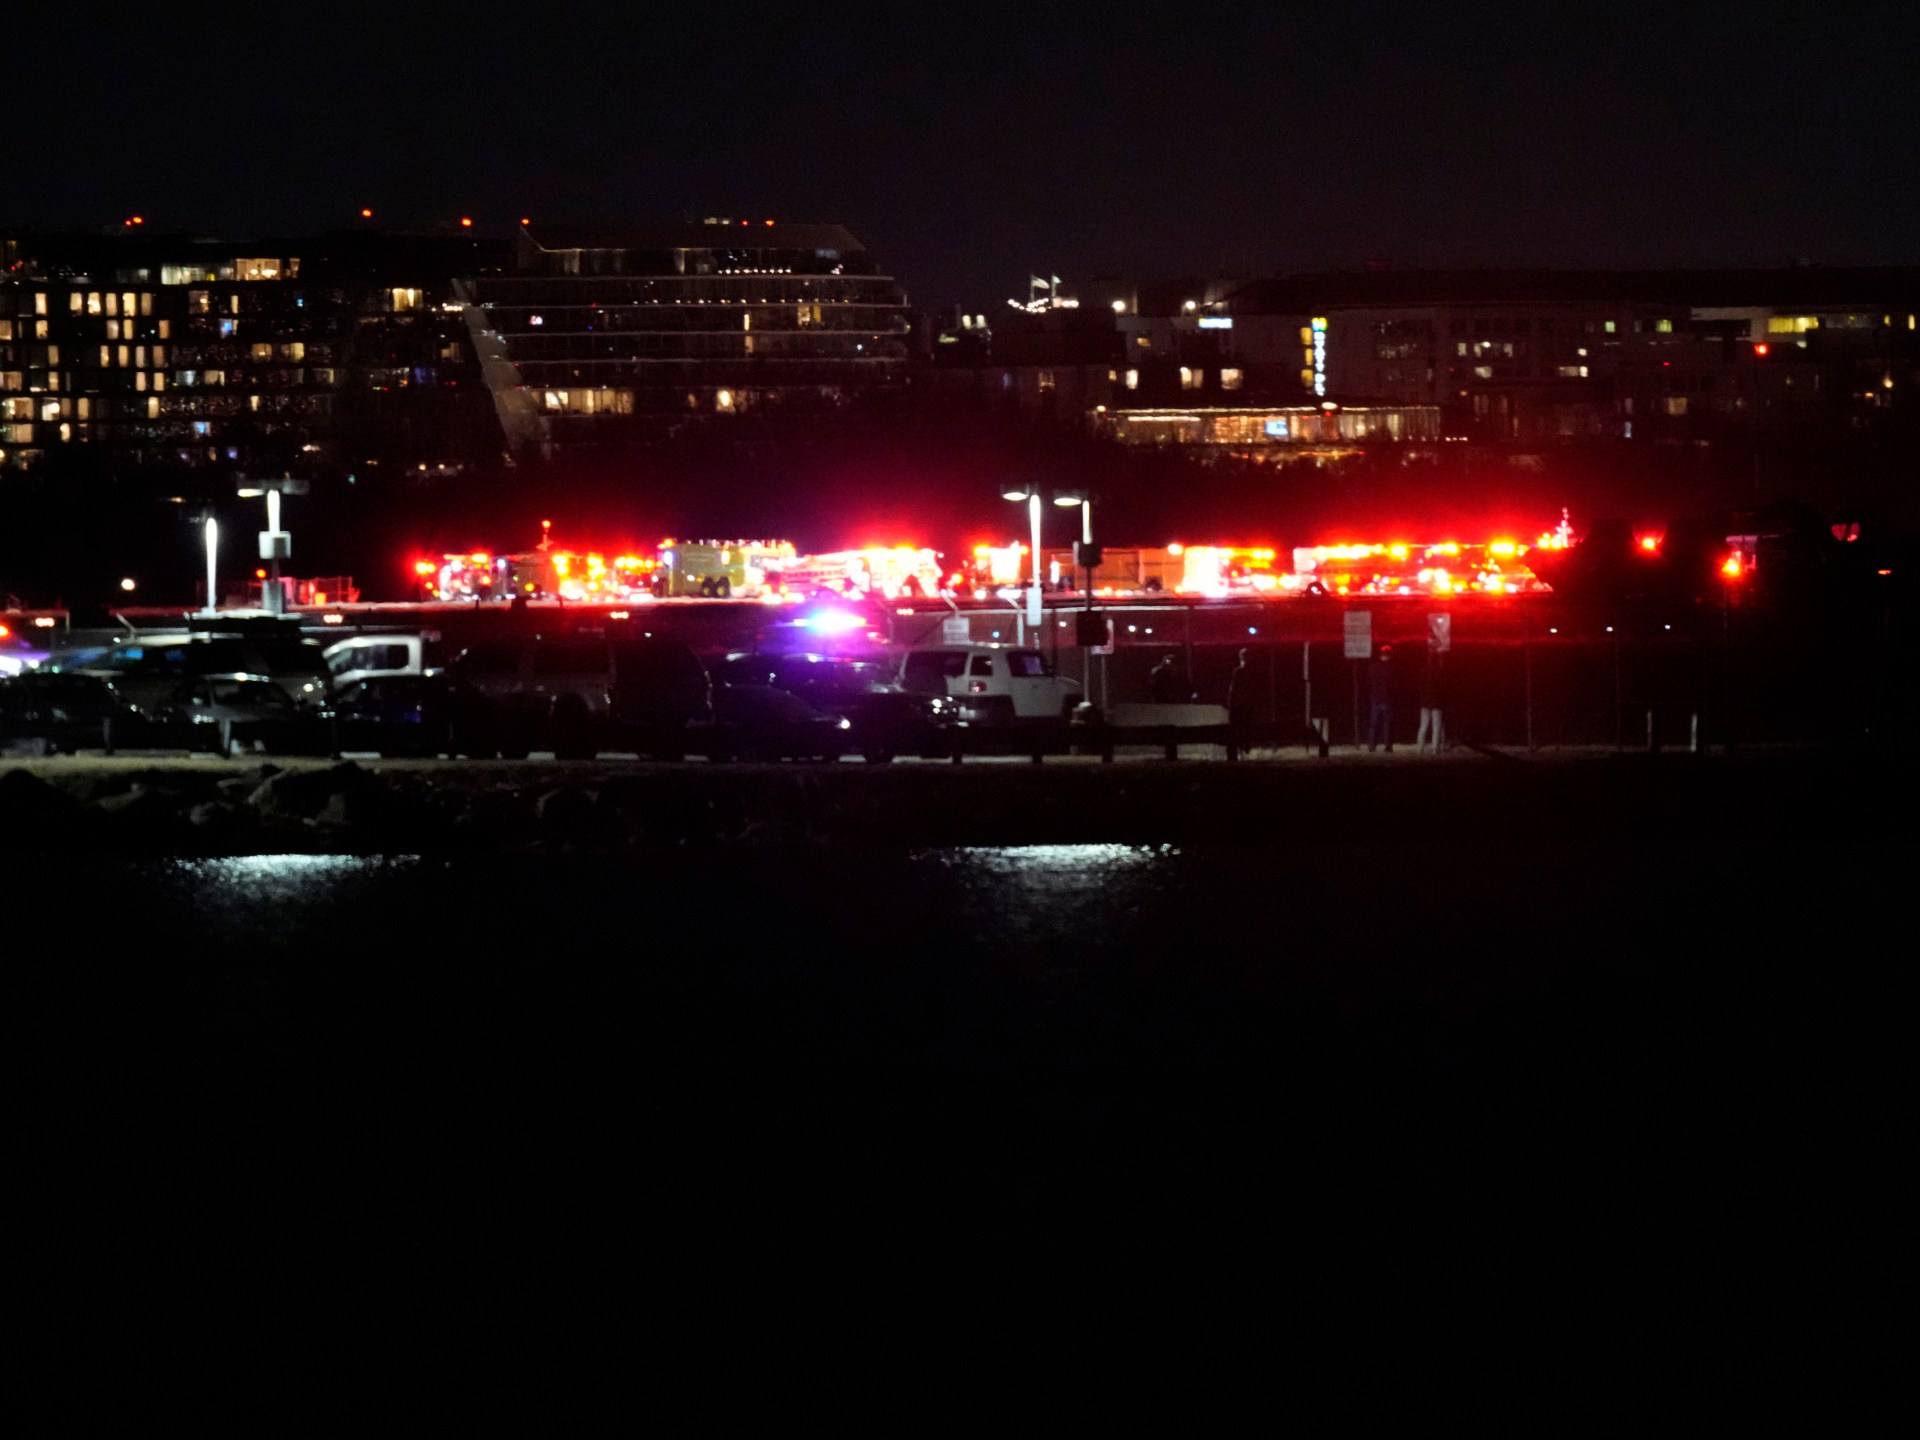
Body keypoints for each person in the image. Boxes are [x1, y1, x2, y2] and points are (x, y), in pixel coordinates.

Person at [1416, 645, 1447, 754]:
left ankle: (1420, 748)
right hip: (1437, 702)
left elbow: (1419, 686)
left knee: (1423, 725)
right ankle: (1435, 748)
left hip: (1425, 702)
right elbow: (1444, 687)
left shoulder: (1422, 671)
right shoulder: (1441, 672)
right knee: (1436, 726)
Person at [1367, 644, 1396, 752]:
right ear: (1389, 655)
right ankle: (1388, 746)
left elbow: (1369, 681)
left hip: (1375, 698)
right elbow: (1394, 684)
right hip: (1387, 698)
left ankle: (1371, 745)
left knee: (1374, 723)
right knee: (1387, 724)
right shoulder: (1392, 668)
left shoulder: (1373, 667)